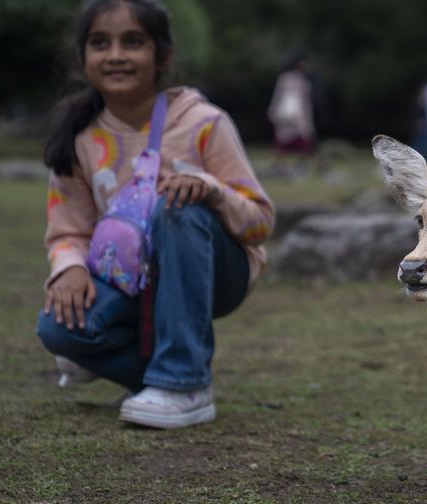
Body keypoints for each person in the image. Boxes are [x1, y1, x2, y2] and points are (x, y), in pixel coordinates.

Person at [37, 0, 275, 429]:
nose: (115, 55)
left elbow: (260, 221)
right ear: (82, 58)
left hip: (216, 272)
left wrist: (211, 191)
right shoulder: (78, 138)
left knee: (177, 205)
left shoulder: (203, 122)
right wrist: (68, 268)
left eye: (132, 42)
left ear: (162, 55)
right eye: (99, 43)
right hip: (128, 277)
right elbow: (67, 230)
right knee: (59, 329)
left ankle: (184, 383)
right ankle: (159, 380)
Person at [267, 52, 315, 177]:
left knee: (304, 144)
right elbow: (278, 97)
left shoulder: (304, 82)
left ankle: (300, 168)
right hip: (285, 118)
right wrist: (274, 113)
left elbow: (305, 103)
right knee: (281, 144)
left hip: (300, 119)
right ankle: (280, 168)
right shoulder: (285, 79)